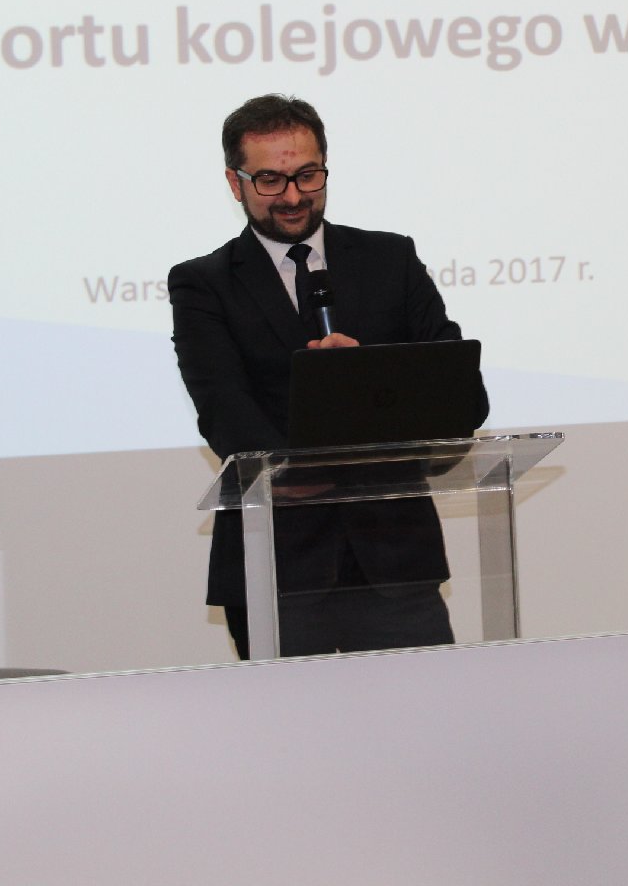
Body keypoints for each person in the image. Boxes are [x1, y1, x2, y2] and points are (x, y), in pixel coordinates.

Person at [168, 93, 488, 659]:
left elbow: (459, 393)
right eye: (270, 180)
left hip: (396, 562)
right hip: (278, 566)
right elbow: (224, 413)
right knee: (290, 720)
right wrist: (321, 435)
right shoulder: (204, 284)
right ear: (235, 183)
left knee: (425, 712)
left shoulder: (390, 259)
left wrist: (366, 376)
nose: (293, 196)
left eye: (307, 175)